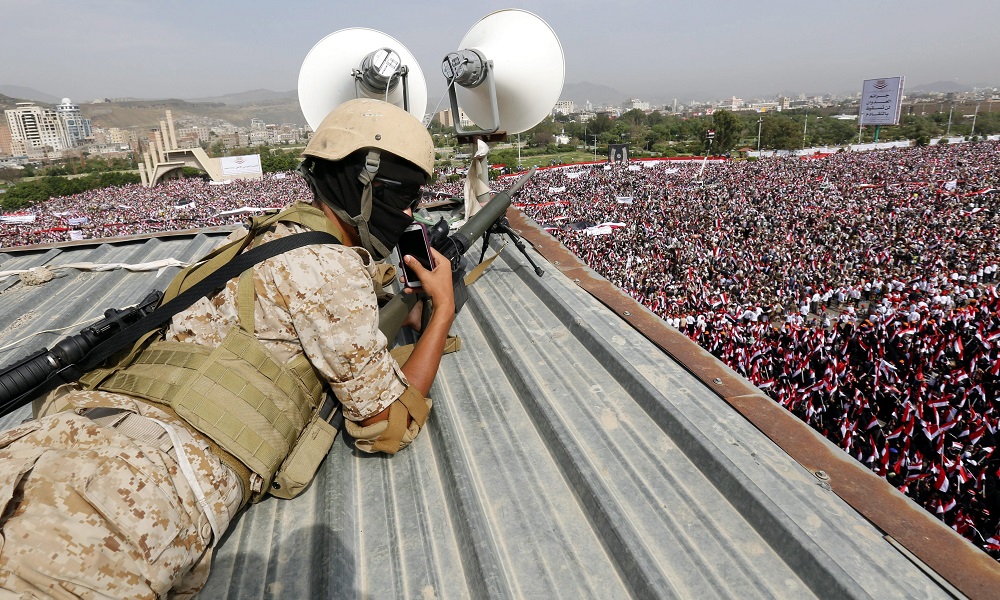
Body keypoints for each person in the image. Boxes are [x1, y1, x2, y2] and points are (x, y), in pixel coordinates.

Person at [0, 98, 456, 599]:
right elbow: (384, 426)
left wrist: (388, 299)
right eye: (406, 194)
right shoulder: (330, 270)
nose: (411, 211)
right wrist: (443, 308)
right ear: (362, 186)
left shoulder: (255, 236)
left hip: (47, 438)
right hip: (129, 490)